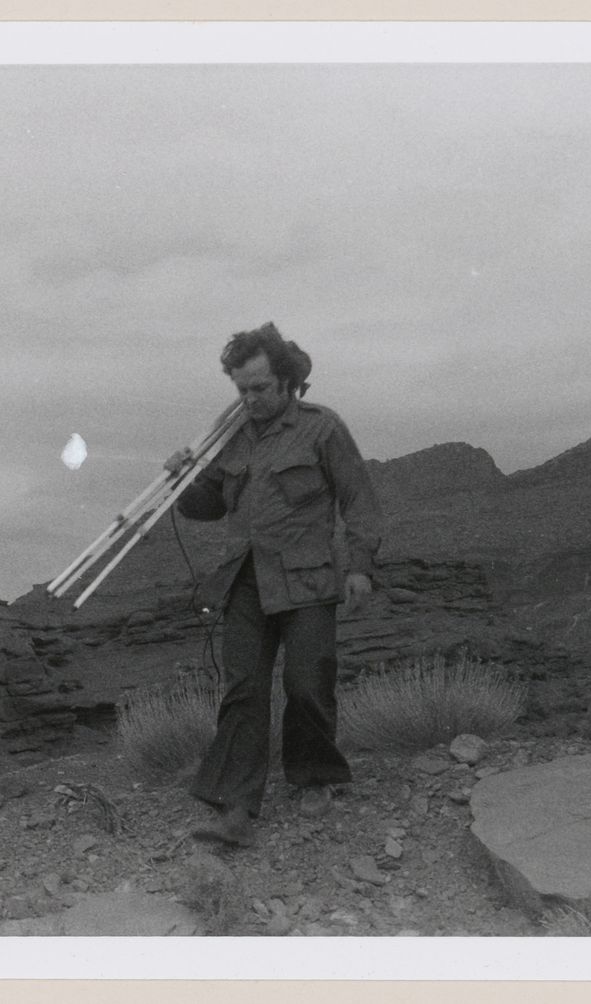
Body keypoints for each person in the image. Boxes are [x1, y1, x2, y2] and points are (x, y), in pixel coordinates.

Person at [166, 322, 383, 846]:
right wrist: (183, 478)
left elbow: (358, 499)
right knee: (243, 691)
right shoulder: (231, 436)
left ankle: (314, 777)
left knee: (308, 684)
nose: (251, 399)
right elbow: (207, 507)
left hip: (307, 579)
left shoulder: (322, 428)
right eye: (242, 389)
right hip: (245, 581)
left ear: (286, 381)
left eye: (260, 388)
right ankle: (237, 807)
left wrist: (360, 566)